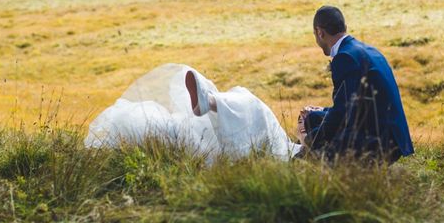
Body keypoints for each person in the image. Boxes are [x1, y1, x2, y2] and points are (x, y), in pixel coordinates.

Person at [85, 63, 302, 161]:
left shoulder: (293, 152)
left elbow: (308, 144)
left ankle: (209, 101)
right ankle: (208, 102)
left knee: (254, 107)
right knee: (247, 102)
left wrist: (305, 134)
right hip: (251, 142)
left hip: (274, 146)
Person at [298, 6, 414, 163]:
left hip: (378, 141)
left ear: (320, 32)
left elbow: (341, 114)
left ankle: (311, 159)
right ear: (344, 27)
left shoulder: (345, 58)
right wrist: (321, 111)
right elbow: (351, 104)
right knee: (312, 117)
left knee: (309, 145)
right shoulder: (369, 50)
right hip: (392, 134)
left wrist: (310, 139)